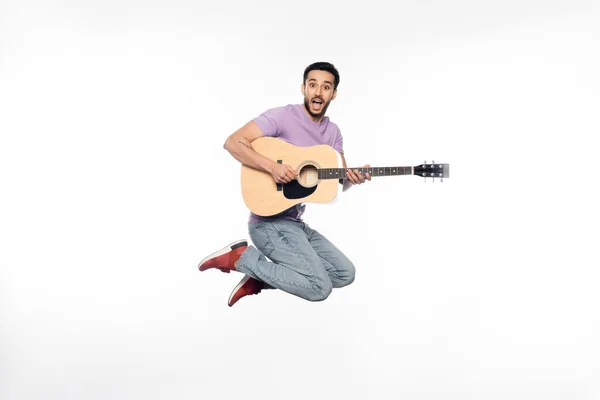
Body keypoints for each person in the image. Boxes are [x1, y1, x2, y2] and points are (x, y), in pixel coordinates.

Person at [198, 61, 371, 306]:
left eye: (325, 87)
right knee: (319, 288)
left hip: (295, 225)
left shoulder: (333, 133)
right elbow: (233, 143)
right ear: (303, 88)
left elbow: (337, 185)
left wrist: (353, 180)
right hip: (268, 224)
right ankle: (239, 258)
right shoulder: (282, 116)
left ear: (333, 93)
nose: (318, 92)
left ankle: (258, 276)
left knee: (344, 273)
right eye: (313, 85)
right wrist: (273, 167)